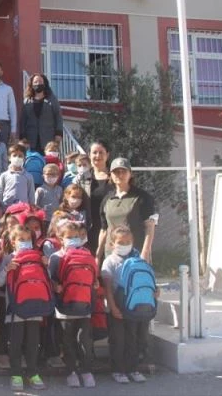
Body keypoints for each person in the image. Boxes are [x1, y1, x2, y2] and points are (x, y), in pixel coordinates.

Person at [102, 225, 159, 384]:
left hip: (135, 308)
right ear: (112, 244)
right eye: (121, 242)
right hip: (117, 307)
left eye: (128, 242)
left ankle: (132, 368)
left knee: (134, 340)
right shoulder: (109, 262)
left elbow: (148, 280)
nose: (125, 245)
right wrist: (112, 307)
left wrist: (155, 291)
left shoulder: (138, 260)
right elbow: (107, 288)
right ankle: (118, 370)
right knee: (118, 340)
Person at [0, 224, 48, 391]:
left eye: (28, 239)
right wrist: (7, 269)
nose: (25, 242)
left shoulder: (38, 257)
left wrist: (46, 266)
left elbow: (46, 281)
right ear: (13, 241)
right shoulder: (8, 258)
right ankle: (16, 374)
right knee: (15, 343)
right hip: (15, 309)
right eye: (21, 239)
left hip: (35, 307)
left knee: (33, 343)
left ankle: (33, 373)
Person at [48, 220, 97, 388]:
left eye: (76, 236)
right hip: (65, 306)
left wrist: (95, 283)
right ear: (60, 238)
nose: (73, 239)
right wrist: (56, 286)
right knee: (67, 340)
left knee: (84, 339)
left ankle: (86, 370)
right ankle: (71, 371)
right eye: (69, 236)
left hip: (84, 303)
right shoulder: (56, 257)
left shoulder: (87, 254)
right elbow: (51, 279)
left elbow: (93, 275)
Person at [97, 157, 158, 265]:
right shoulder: (107, 199)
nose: (120, 175)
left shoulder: (142, 197)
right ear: (110, 175)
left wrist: (145, 253)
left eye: (123, 171)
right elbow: (104, 230)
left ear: (130, 174)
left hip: (136, 256)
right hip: (111, 257)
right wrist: (98, 256)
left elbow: (150, 227)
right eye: (116, 172)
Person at [78, 141, 113, 255]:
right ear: (89, 155)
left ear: (107, 155)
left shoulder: (115, 177)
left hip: (111, 227)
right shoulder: (82, 178)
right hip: (89, 227)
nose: (98, 156)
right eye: (94, 152)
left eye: (101, 152)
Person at [20, 73, 63, 153]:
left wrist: (59, 133)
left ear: (44, 83)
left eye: (40, 81)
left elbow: (58, 117)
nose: (38, 84)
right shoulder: (27, 101)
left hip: (48, 139)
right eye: (35, 82)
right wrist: (22, 136)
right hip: (31, 140)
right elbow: (23, 120)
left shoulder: (52, 99)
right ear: (31, 84)